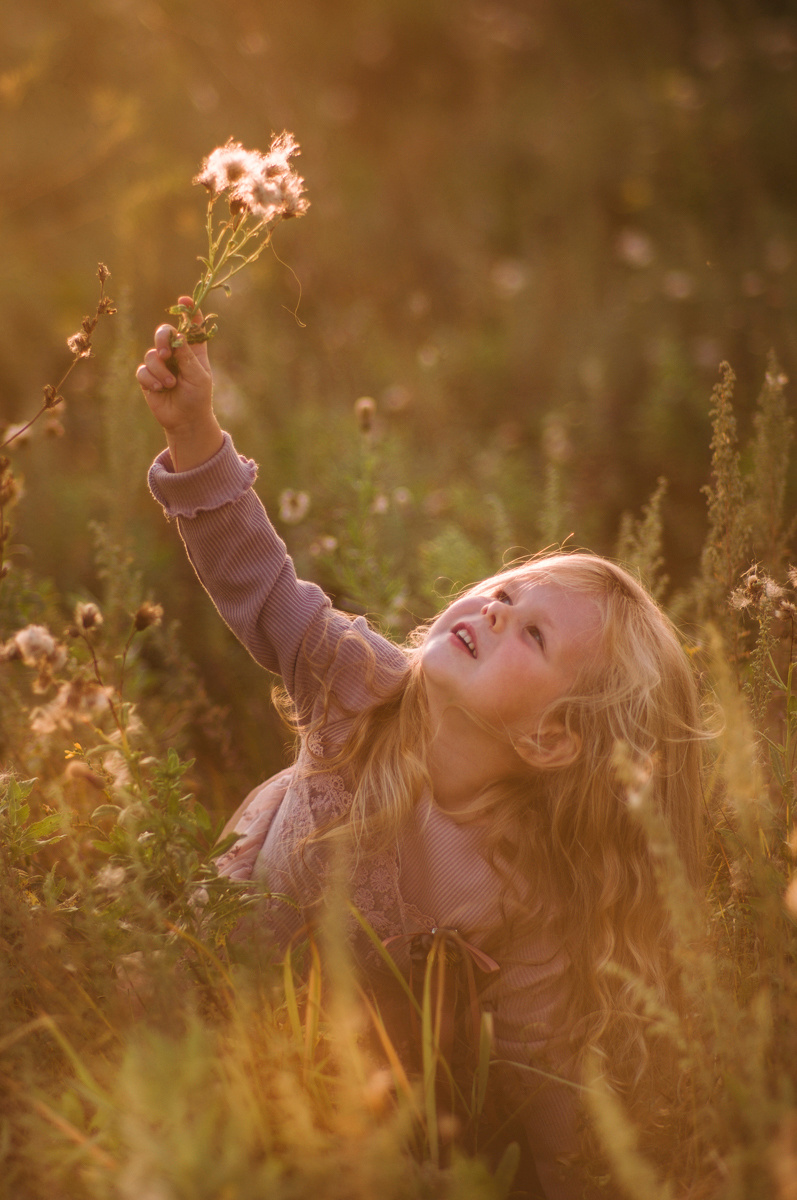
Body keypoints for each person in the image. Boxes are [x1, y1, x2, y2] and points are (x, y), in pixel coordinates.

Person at [136, 302, 705, 1200]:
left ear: (552, 738)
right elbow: (256, 580)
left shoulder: (522, 884)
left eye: (533, 636)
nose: (493, 610)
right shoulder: (353, 685)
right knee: (147, 1045)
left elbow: (538, 1066)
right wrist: (196, 431)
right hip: (220, 965)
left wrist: (576, 1177)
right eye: (508, 591)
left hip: (340, 1088)